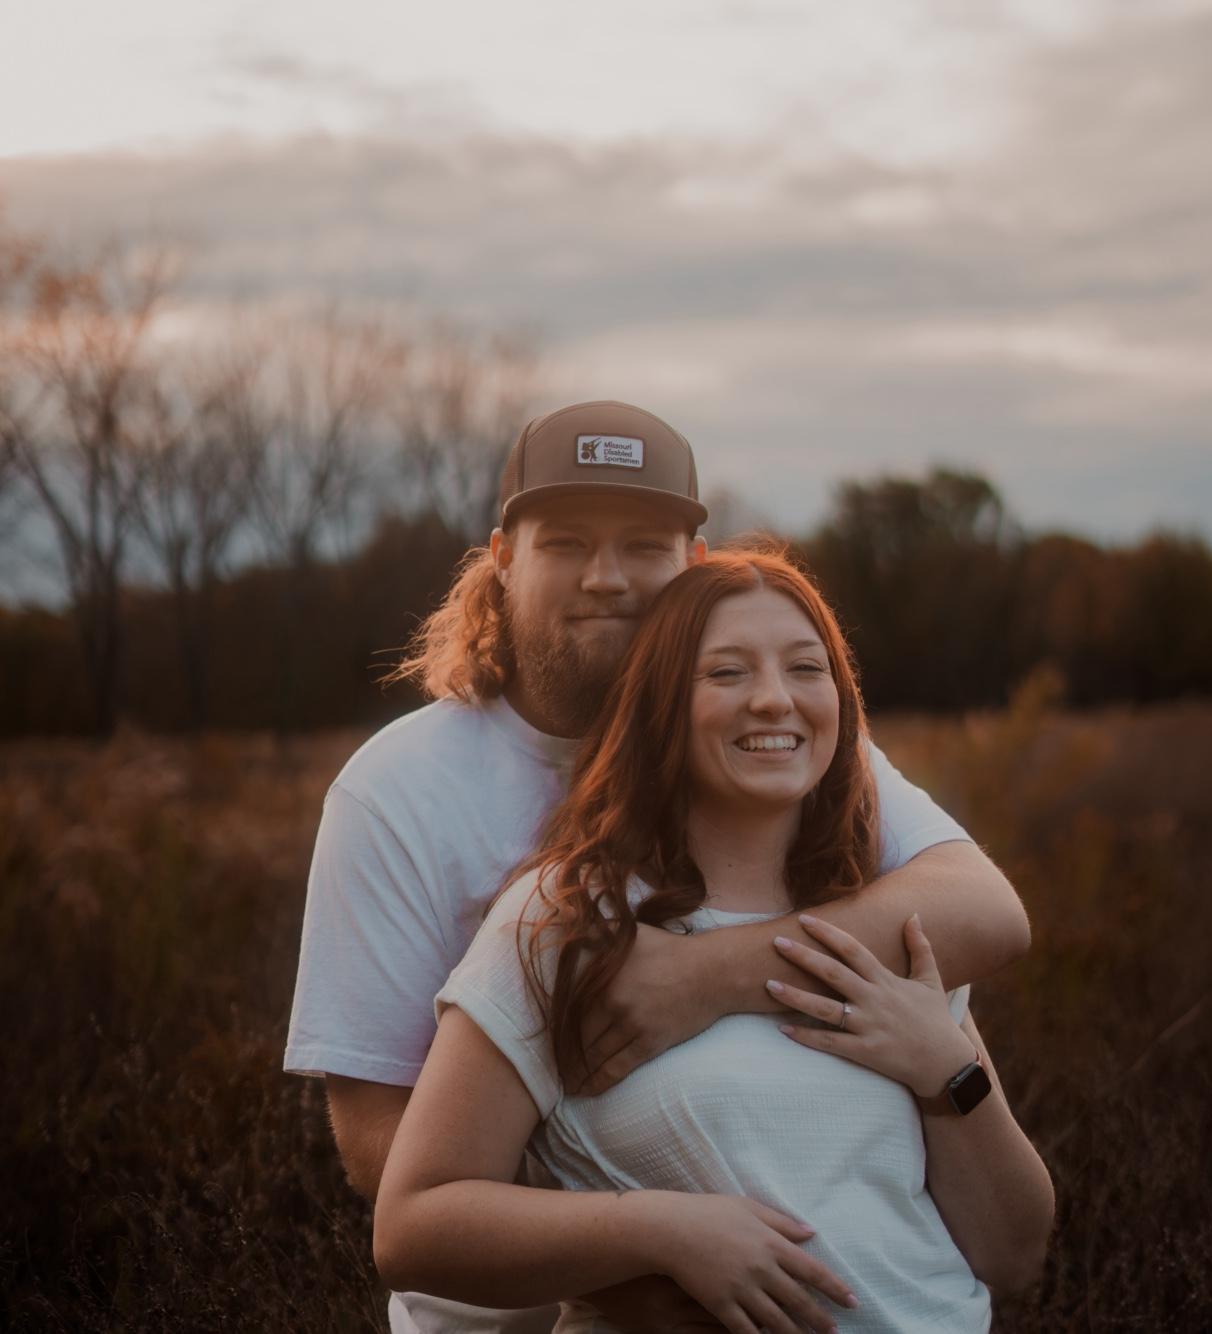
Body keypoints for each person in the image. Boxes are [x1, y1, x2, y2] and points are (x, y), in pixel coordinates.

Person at [285, 401, 1033, 1333]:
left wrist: (701, 979)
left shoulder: (780, 755)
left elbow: (985, 910)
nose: (607, 577)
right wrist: (640, 1263)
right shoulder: (401, 794)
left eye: (643, 545)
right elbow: (382, 1143)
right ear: (503, 557)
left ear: (693, 560)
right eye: (566, 543)